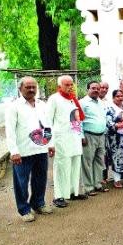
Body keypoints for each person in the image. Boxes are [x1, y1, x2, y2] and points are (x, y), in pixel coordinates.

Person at [5, 77, 54, 222]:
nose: (32, 89)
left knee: (40, 179)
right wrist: (14, 151)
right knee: (21, 182)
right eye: (28, 87)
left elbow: (48, 125)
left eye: (34, 87)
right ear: (20, 89)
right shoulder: (14, 107)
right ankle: (24, 209)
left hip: (41, 149)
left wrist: (50, 144)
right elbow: (10, 131)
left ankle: (38, 203)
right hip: (23, 151)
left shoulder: (41, 104)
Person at [47, 75, 85, 208]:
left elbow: (76, 119)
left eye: (71, 84)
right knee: (61, 167)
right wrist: (50, 143)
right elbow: (47, 122)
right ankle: (59, 196)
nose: (70, 87)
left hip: (74, 138)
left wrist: (80, 136)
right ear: (59, 86)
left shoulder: (73, 99)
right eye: (67, 85)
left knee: (75, 164)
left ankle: (73, 191)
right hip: (61, 139)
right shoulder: (54, 99)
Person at [79, 81, 109, 196]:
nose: (96, 90)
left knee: (99, 161)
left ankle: (97, 184)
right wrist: (81, 136)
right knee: (87, 162)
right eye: (93, 88)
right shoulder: (82, 103)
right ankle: (88, 187)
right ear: (88, 89)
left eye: (98, 88)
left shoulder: (100, 103)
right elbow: (78, 121)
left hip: (101, 136)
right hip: (88, 135)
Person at [98, 81, 110, 183]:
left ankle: (104, 177)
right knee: (99, 155)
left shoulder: (109, 101)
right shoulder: (93, 100)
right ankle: (98, 177)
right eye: (102, 87)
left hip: (108, 132)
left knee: (106, 155)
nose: (104, 90)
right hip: (97, 133)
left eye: (106, 88)